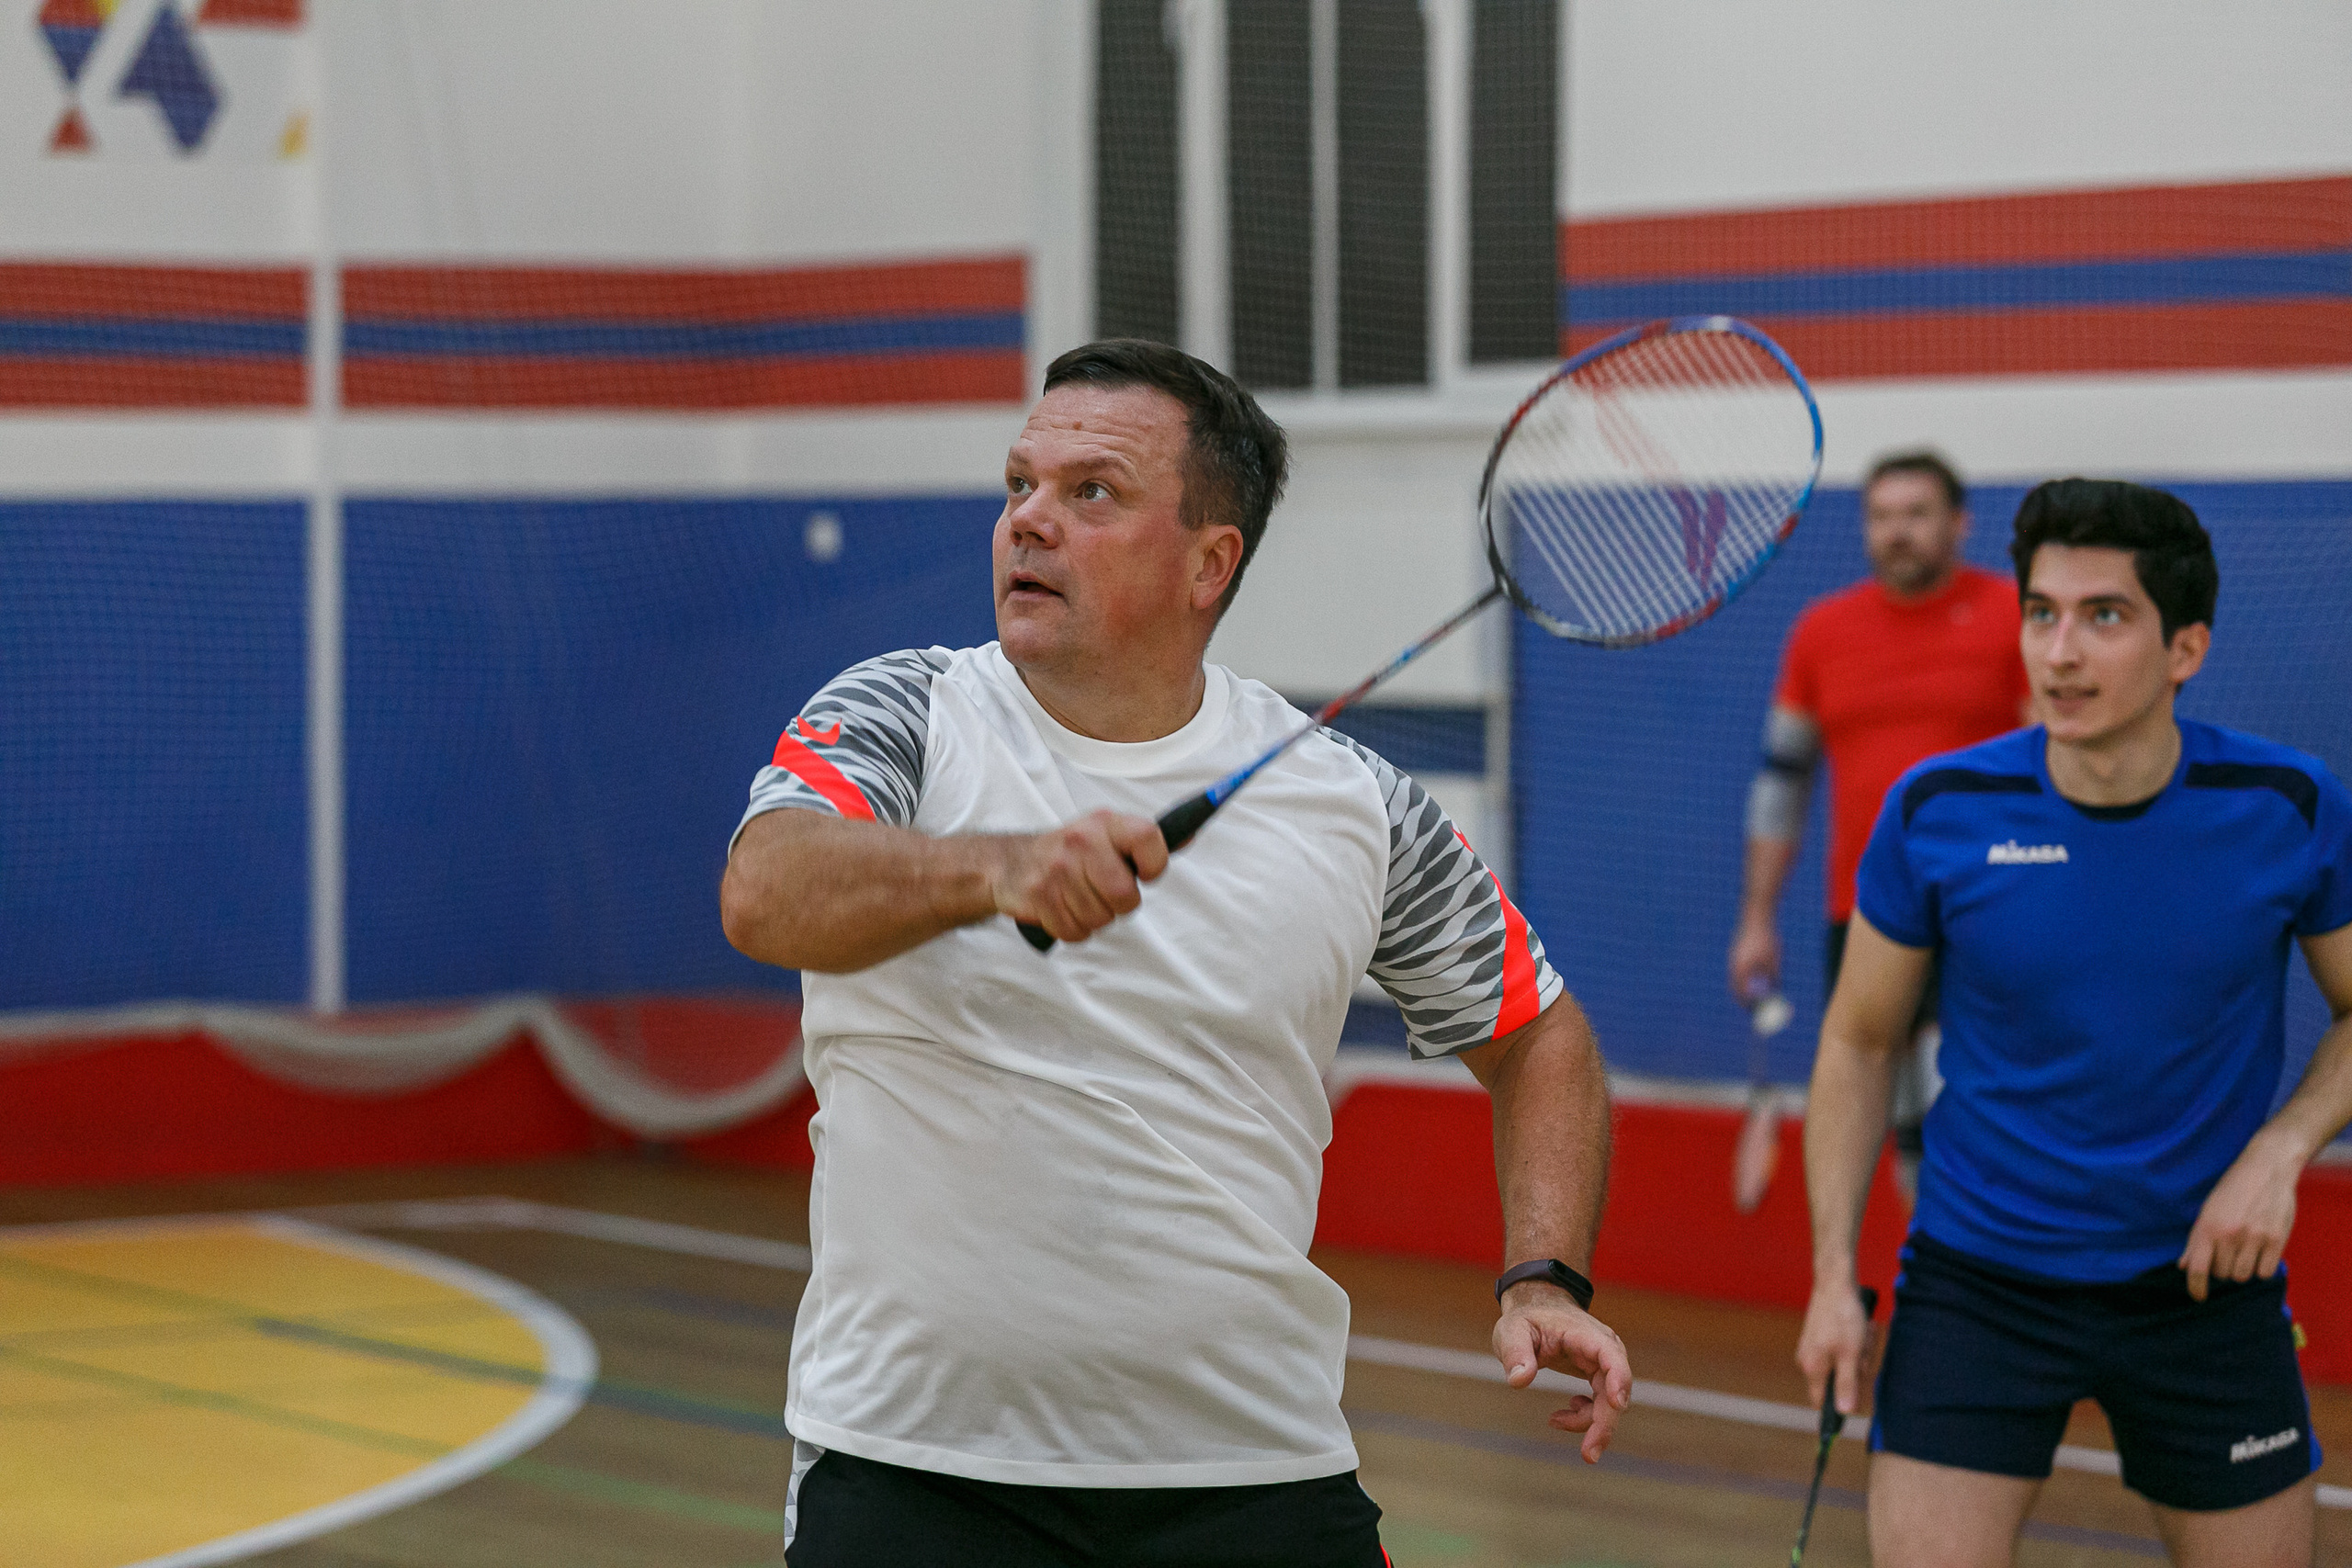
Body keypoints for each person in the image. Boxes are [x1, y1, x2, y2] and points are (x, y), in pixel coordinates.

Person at [720, 339, 1631, 1567]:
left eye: (1090, 492)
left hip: (1252, 1475)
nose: (1030, 521)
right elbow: (766, 886)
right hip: (917, 1468)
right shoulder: (906, 713)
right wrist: (993, 867)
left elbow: (1540, 1031)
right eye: (1018, 485)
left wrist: (1545, 1275)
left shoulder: (1349, 802)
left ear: (1212, 562)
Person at [1796, 479, 2352, 1567]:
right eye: (2040, 612)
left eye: (2104, 616)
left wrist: (2283, 1150)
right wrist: (1828, 1278)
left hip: (2204, 1293)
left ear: (2183, 648)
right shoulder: (1935, 811)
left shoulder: (2287, 807)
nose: (2058, 651)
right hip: (1979, 1283)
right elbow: (1858, 1042)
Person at [1730, 451, 2028, 1195]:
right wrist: (1757, 916)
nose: (1898, 531)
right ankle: (1928, 1293)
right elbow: (1782, 782)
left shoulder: (2016, 617)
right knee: (1903, 1132)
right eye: (1883, 516)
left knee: (1961, 1116)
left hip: (1986, 910)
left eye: (1917, 514)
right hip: (1865, 915)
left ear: (1958, 525)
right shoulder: (1821, 631)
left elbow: (2057, 765)